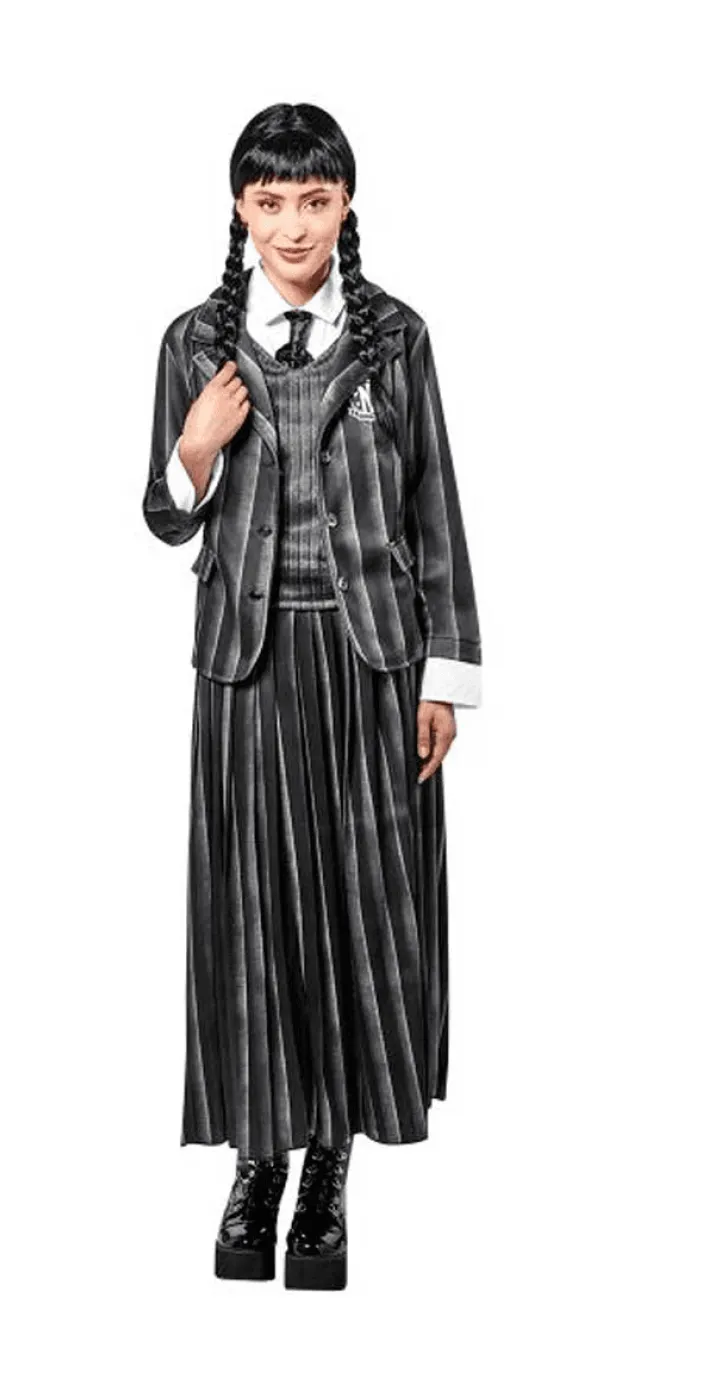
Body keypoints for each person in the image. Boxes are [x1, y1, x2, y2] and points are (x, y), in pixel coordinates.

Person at [141, 103, 481, 1290]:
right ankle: (257, 1157)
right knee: (252, 912)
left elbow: (432, 507)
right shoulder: (195, 341)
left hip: (369, 663)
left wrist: (443, 673)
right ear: (240, 208)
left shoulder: (396, 339)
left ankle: (329, 1161)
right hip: (243, 668)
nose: (293, 226)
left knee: (358, 910)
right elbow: (163, 512)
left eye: (315, 199)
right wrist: (194, 447)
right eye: (270, 201)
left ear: (345, 205)